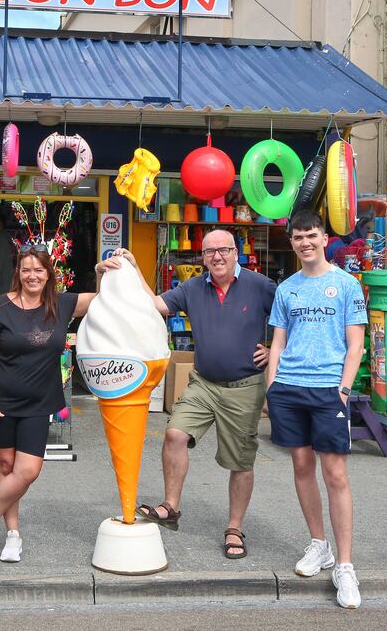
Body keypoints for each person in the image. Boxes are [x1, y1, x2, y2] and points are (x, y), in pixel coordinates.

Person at [118, 229, 276, 559]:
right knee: (174, 434)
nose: (217, 257)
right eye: (209, 252)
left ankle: (234, 527)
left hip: (244, 387)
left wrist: (276, 348)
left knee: (241, 461)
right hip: (203, 383)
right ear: (202, 257)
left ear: (237, 253)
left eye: (224, 250)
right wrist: (133, 270)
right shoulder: (192, 287)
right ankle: (171, 507)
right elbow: (156, 306)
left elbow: (290, 317)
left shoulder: (260, 286)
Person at [0, 244, 120, 562]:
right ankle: (12, 536)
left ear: (49, 273)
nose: (32, 276)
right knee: (6, 468)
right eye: (26, 270)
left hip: (38, 402)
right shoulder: (1, 307)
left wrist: (102, 273)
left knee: (28, 470)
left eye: (38, 269)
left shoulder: (61, 304)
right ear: (17, 274)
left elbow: (105, 300)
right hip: (1, 402)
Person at [266, 210, 366, 609]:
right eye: (297, 237)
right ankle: (318, 544)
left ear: (324, 238)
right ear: (291, 242)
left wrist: (343, 389)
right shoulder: (286, 289)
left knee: (335, 474)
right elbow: (277, 342)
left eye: (311, 235)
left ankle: (344, 566)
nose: (305, 242)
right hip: (289, 388)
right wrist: (272, 387)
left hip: (328, 389)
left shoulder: (346, 285)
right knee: (302, 467)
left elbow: (355, 344)